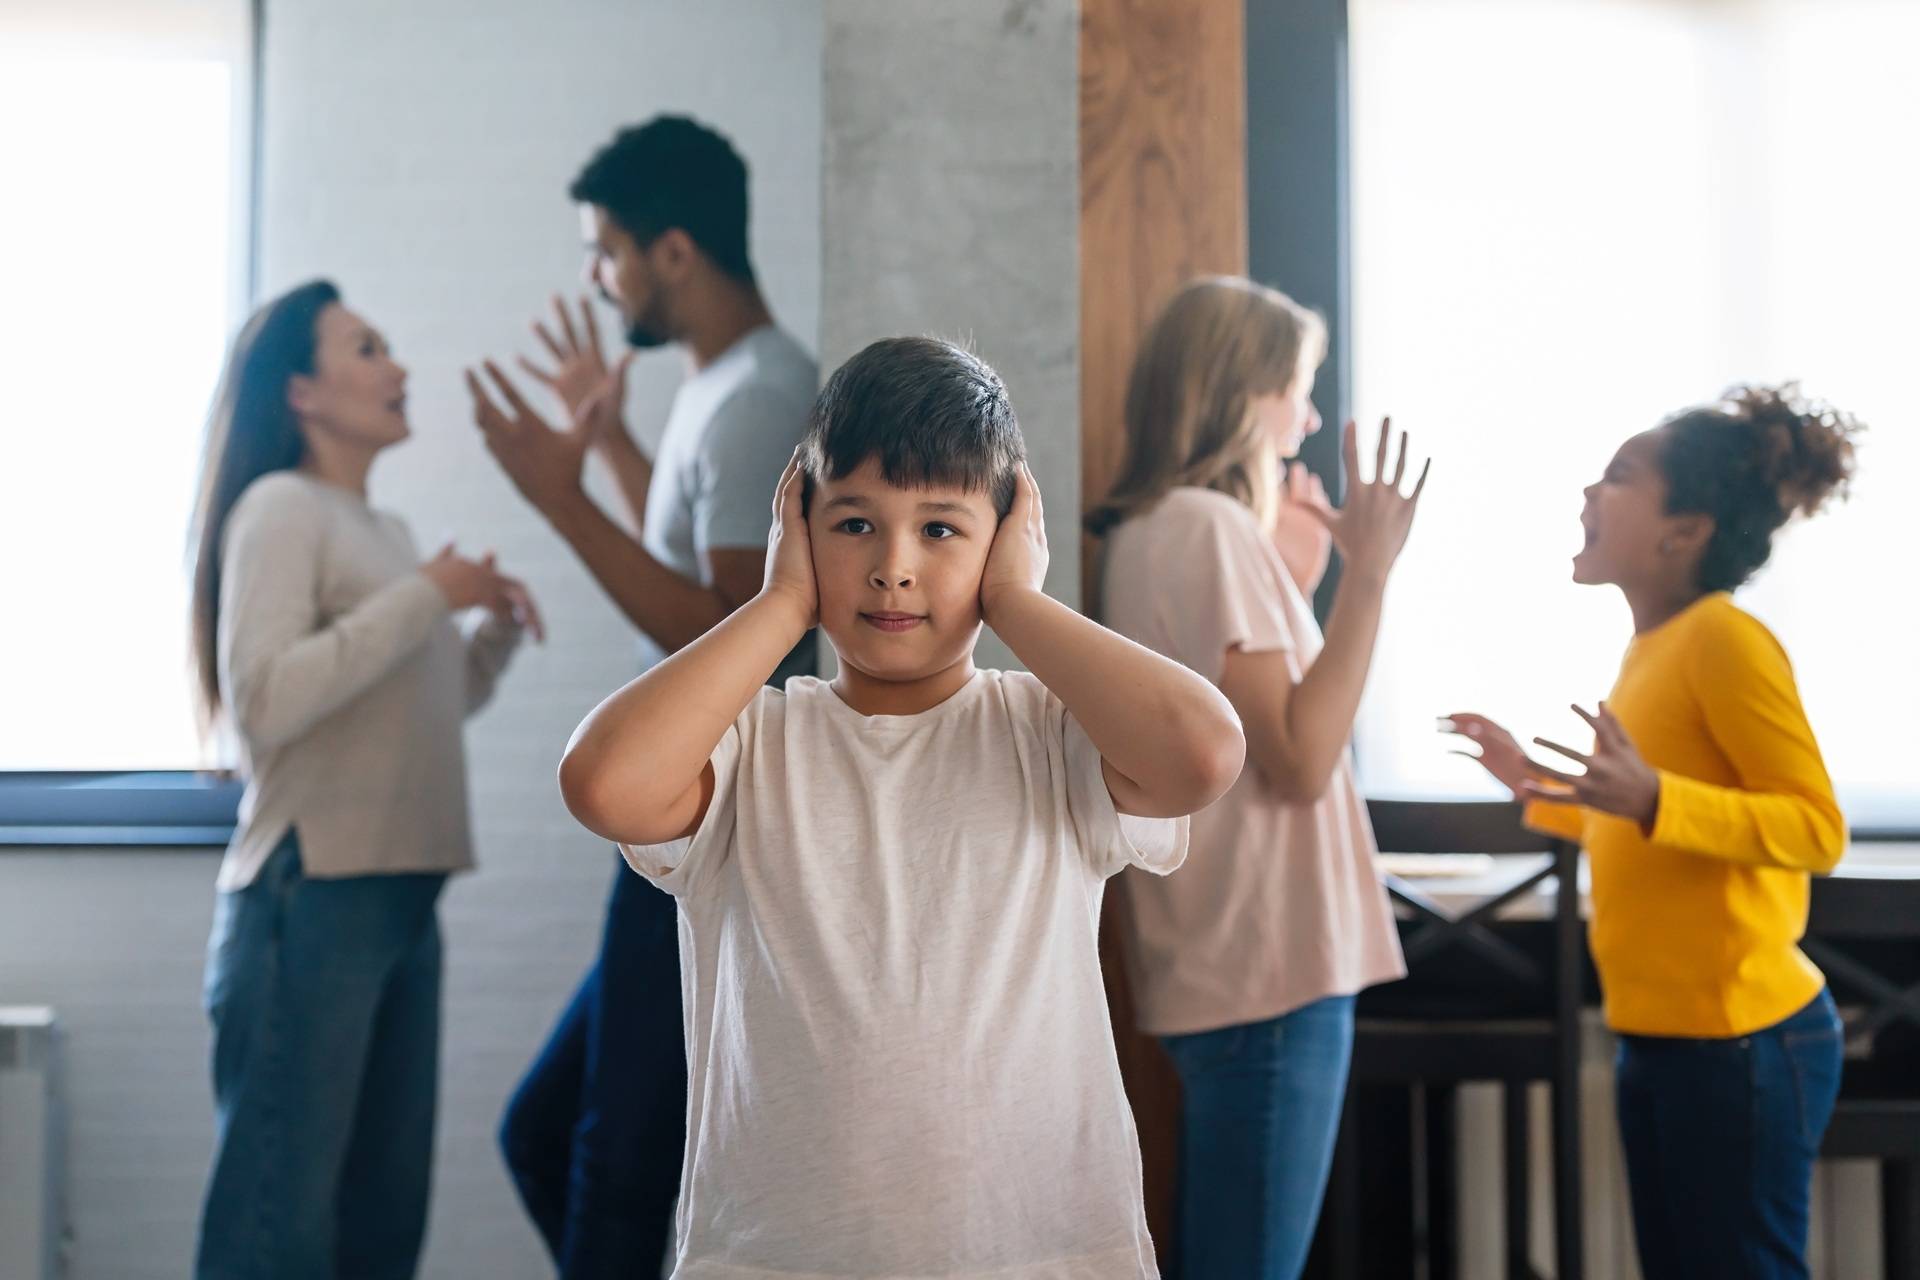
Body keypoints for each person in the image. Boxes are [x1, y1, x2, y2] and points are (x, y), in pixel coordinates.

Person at [556, 337, 1245, 1277]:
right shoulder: (750, 747)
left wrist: (1017, 603)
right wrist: (780, 602)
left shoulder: (1052, 735)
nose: (893, 567)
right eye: (852, 526)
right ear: (797, 528)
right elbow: (601, 783)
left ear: (1004, 537)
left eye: (941, 529)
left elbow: (1205, 751)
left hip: (1040, 1254)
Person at [467, 115, 816, 1274]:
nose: (594, 275)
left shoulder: (767, 391)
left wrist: (561, 498)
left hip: (706, 816)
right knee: (555, 1133)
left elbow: (731, 633)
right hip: (679, 813)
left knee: (614, 1163)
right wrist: (612, 445)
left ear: (673, 251)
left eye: (604, 249)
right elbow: (698, 560)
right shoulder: (722, 385)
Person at [1445, 384, 1860, 1279]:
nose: (1589, 494)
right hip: (1663, 1038)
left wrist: (1654, 799)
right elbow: (1637, 821)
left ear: (1686, 530)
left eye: (1618, 477)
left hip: (1744, 1042)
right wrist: (1531, 782)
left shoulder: (1725, 641)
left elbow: (1817, 828)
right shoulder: (1655, 648)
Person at [186, 279, 538, 1279]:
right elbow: (266, 702)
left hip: (397, 898)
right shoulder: (280, 508)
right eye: (368, 348)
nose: (400, 369)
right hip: (312, 897)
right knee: (278, 1237)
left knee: (380, 1231)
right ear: (301, 390)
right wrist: (431, 592)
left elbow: (424, 708)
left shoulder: (381, 532)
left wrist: (491, 633)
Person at [1088, 276, 1422, 1279]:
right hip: (1269, 965)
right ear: (1243, 391)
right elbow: (1302, 756)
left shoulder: (1160, 528)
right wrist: (1370, 574)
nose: (1309, 417)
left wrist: (1305, 583)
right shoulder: (1206, 526)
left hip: (1230, 960)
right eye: (1299, 387)